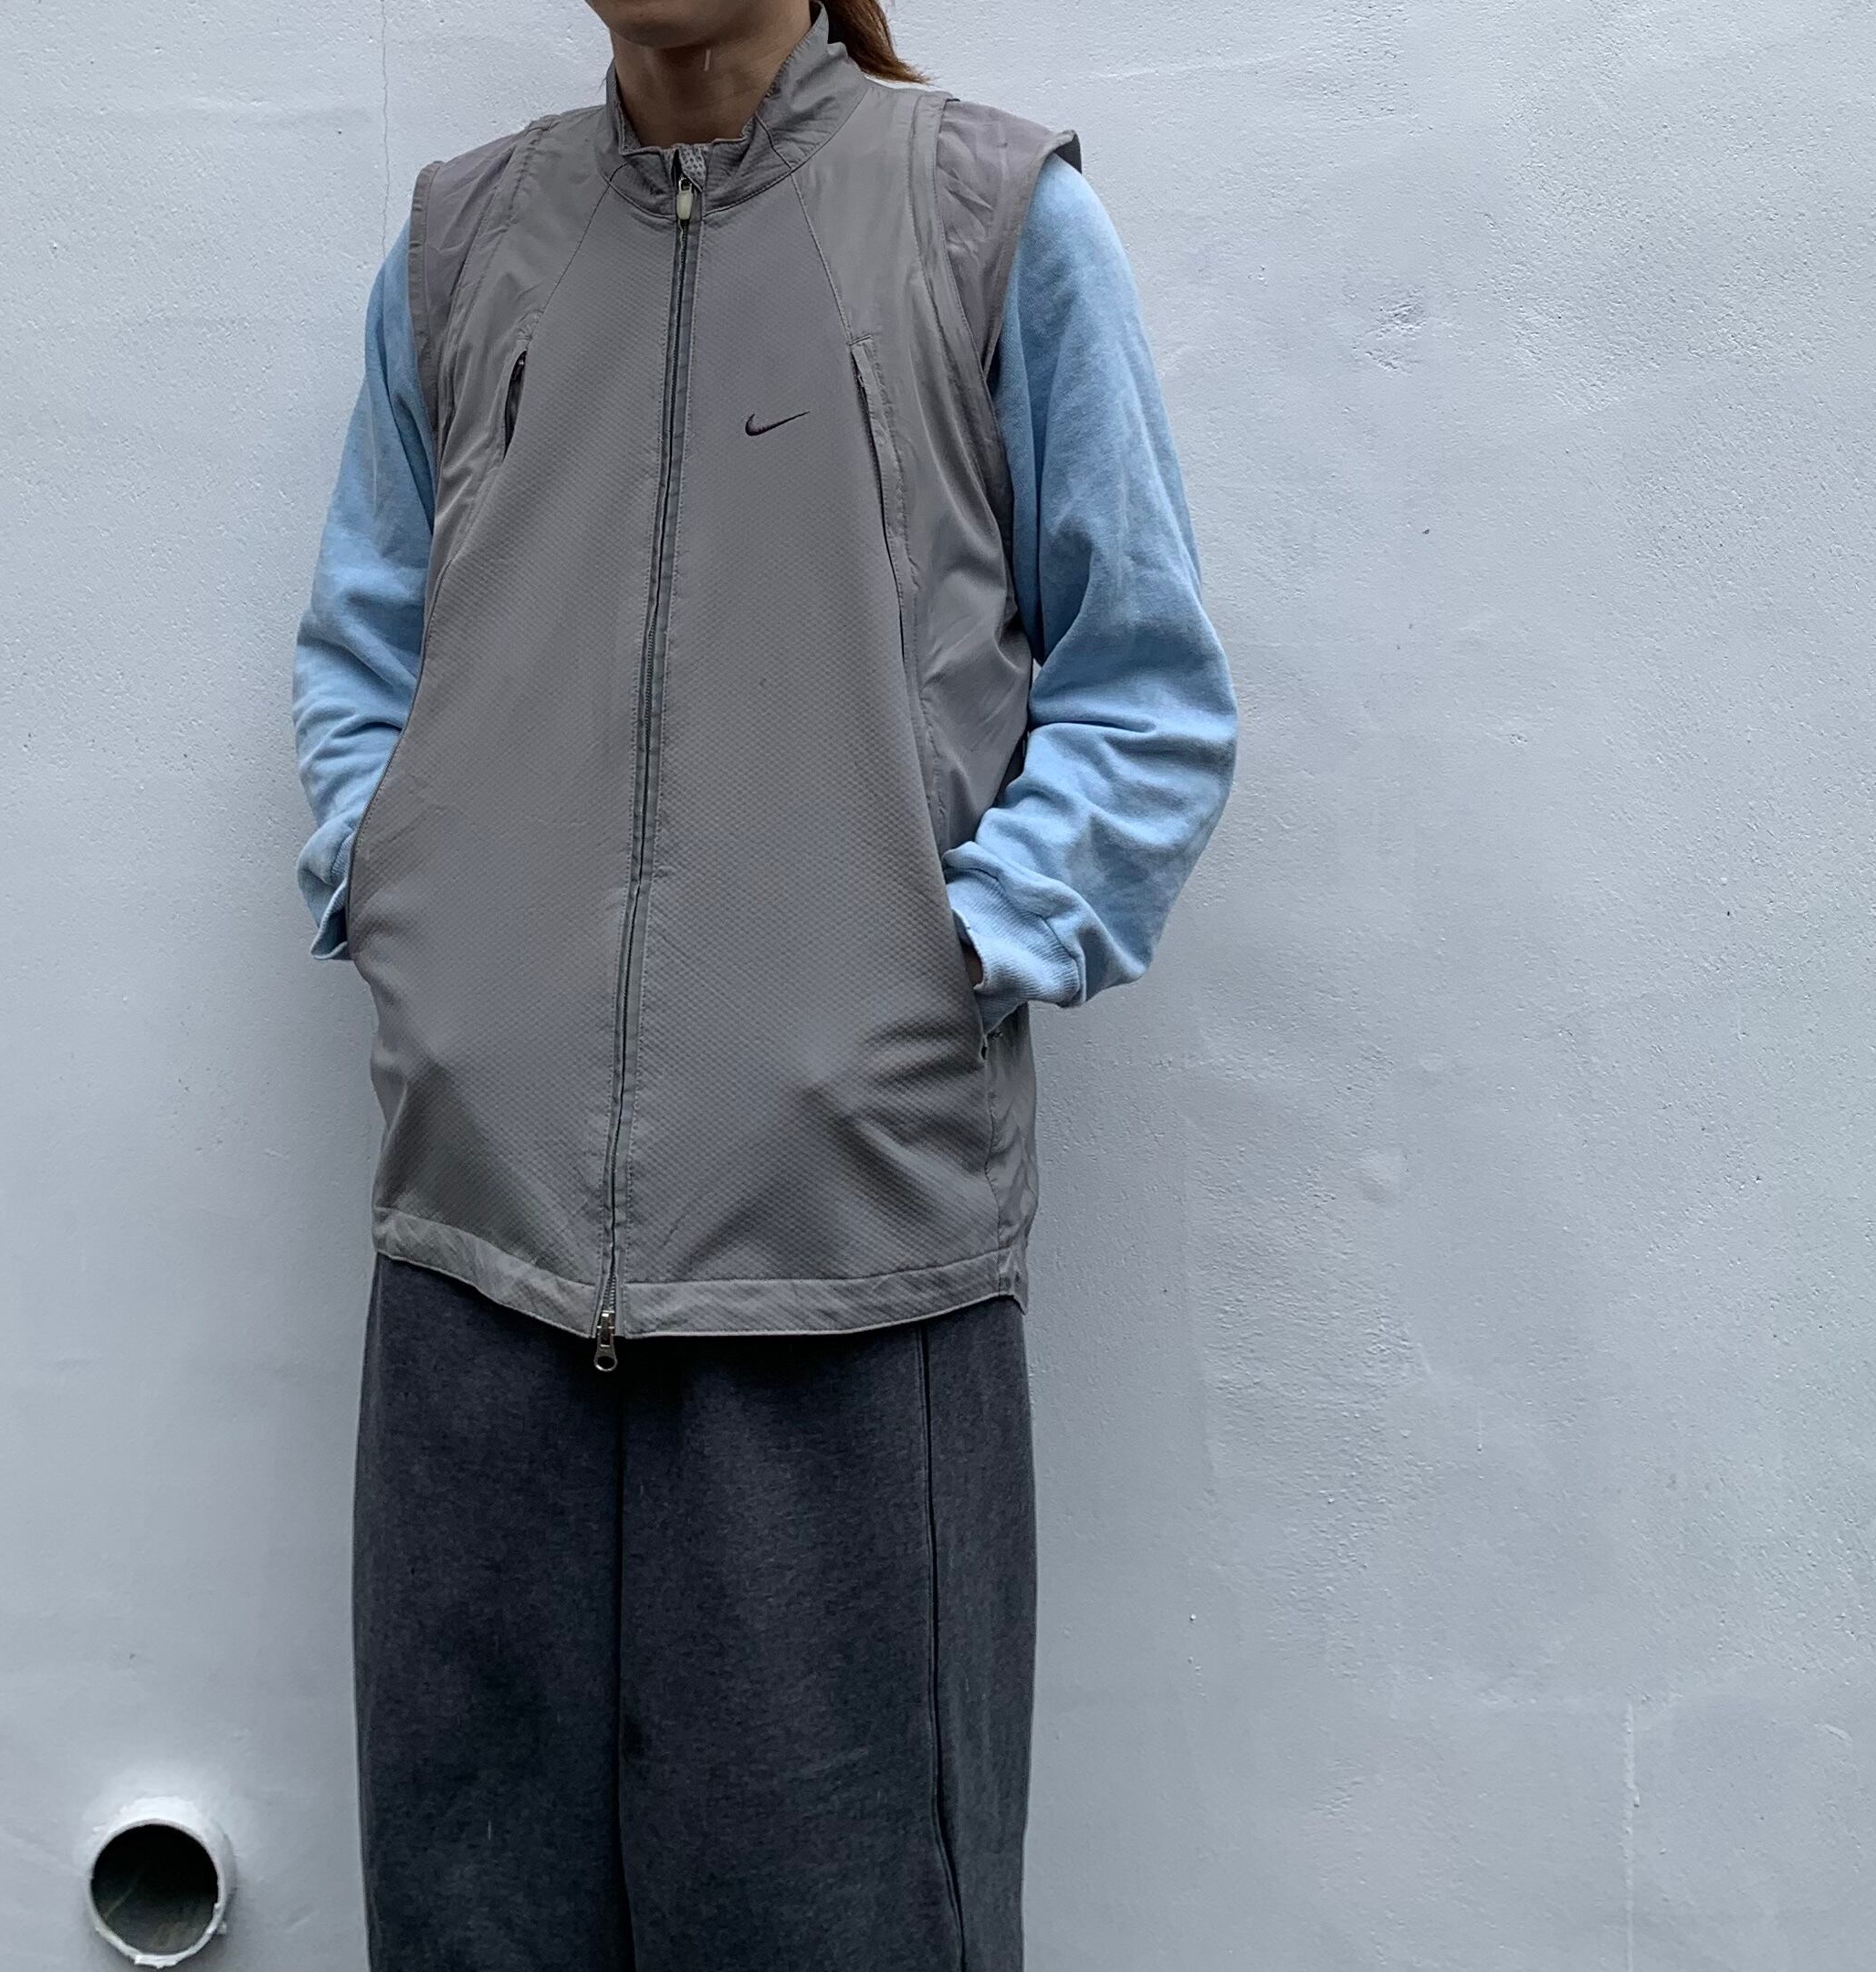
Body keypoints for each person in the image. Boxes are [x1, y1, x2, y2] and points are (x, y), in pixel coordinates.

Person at [289, 1, 1237, 1964]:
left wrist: (943, 962)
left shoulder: (989, 220)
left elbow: (1146, 693)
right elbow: (363, 649)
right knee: (472, 1924)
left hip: (846, 1290)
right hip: (478, 1278)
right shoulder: (464, 245)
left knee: (847, 1925)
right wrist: (400, 900)